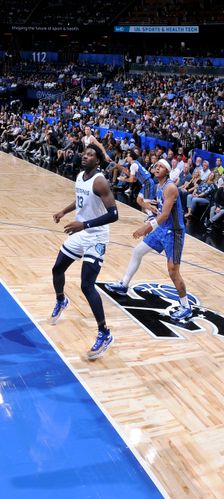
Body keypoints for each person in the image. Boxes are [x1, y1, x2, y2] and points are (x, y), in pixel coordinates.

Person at [50, 145, 119, 359]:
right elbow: (81, 198)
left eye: (90, 155)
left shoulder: (100, 180)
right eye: (85, 153)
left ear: (97, 161)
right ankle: (61, 300)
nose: (85, 156)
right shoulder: (81, 175)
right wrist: (64, 210)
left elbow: (114, 214)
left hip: (96, 237)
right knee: (57, 269)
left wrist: (85, 224)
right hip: (81, 233)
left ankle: (104, 333)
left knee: (87, 285)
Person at [107, 159, 193, 321]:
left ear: (167, 171)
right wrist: (150, 208)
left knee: (173, 271)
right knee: (138, 251)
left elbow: (166, 214)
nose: (157, 168)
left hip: (173, 232)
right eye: (156, 166)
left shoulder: (170, 187)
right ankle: (124, 285)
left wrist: (146, 228)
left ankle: (185, 306)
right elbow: (154, 207)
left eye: (161, 166)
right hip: (161, 229)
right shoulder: (157, 185)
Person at [119, 149, 156, 217]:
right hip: (146, 184)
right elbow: (134, 180)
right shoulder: (136, 163)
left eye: (127, 156)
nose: (126, 158)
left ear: (131, 157)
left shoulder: (133, 165)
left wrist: (124, 179)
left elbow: (131, 180)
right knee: (139, 200)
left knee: (146, 204)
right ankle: (151, 215)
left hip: (148, 183)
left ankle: (156, 216)